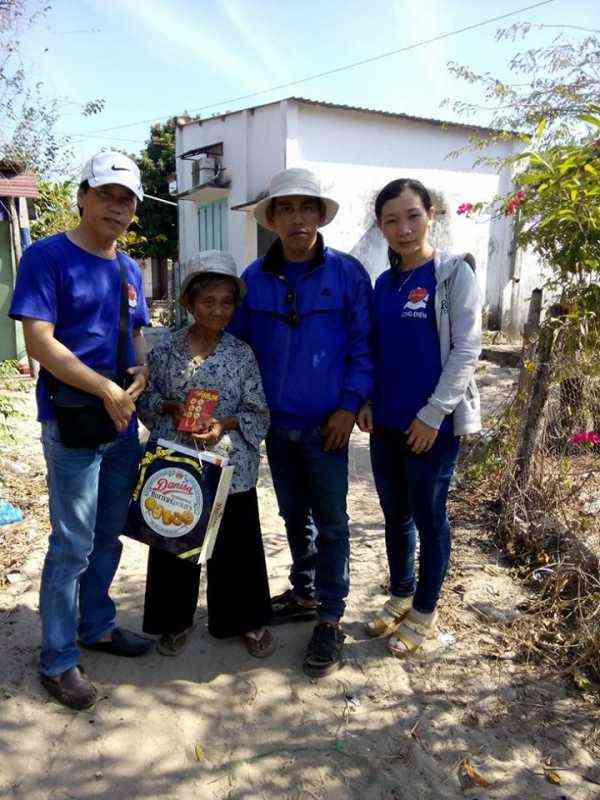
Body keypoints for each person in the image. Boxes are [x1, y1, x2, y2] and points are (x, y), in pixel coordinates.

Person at [9, 151, 153, 710]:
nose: (117, 208)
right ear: (82, 197)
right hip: (74, 417)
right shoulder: (48, 257)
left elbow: (136, 332)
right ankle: (58, 658)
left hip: (121, 419)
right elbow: (40, 343)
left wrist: (140, 368)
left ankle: (97, 626)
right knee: (72, 542)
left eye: (126, 200)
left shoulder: (129, 269)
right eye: (107, 195)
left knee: (109, 532)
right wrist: (105, 388)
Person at [230, 168, 373, 678]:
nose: (297, 218)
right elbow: (238, 351)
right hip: (277, 426)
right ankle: (305, 591)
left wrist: (349, 405)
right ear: (272, 219)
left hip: (328, 426)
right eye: (286, 209)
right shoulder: (254, 279)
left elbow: (363, 346)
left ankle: (330, 617)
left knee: (332, 521)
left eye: (306, 207)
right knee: (294, 515)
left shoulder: (348, 274)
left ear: (319, 216)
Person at [357, 178, 482, 657]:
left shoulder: (452, 275)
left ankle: (425, 611)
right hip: (387, 423)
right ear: (381, 227)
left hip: (433, 426)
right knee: (395, 516)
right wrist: (367, 400)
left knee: (430, 519)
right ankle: (401, 595)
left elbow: (467, 349)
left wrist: (433, 414)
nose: (403, 229)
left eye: (412, 216)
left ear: (431, 214)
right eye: (391, 220)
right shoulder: (384, 284)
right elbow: (375, 350)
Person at [137, 251, 274, 659]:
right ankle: (174, 620)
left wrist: (222, 424)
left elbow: (257, 410)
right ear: (189, 302)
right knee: (174, 538)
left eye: (227, 302)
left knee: (236, 544)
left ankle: (242, 620)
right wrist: (170, 407)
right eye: (208, 301)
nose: (218, 310)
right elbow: (147, 399)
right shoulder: (165, 352)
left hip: (230, 464)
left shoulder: (241, 354)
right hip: (177, 463)